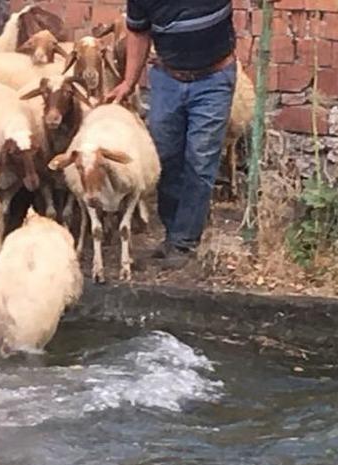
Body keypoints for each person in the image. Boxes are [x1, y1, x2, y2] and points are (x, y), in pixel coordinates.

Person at [105, 0, 258, 268]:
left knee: (200, 160)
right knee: (164, 156)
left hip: (214, 79)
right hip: (168, 79)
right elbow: (139, 33)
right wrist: (128, 82)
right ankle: (173, 232)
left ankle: (184, 242)